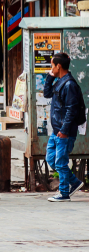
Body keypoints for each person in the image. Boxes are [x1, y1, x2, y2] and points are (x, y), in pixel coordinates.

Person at [44, 52, 87, 202]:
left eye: (52, 66)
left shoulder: (69, 85)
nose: (51, 68)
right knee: (51, 159)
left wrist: (64, 130)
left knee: (61, 163)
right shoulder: (60, 81)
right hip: (57, 130)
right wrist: (50, 76)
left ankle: (64, 193)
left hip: (64, 132)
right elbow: (47, 93)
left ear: (59, 66)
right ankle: (74, 182)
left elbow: (71, 110)